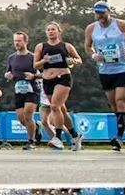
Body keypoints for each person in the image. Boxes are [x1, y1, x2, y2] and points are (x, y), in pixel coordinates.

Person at [84, 1, 125, 151]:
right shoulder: (91, 28)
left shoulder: (121, 25)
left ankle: (119, 137)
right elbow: (87, 46)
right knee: (114, 106)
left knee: (121, 101)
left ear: (108, 11)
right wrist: (94, 55)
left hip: (122, 68)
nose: (99, 15)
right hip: (105, 70)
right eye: (97, 12)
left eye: (102, 12)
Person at [35, 21, 83, 151]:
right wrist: (43, 61)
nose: (51, 32)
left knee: (55, 106)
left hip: (63, 78)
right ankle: (74, 135)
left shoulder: (66, 46)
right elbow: (35, 65)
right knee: (60, 109)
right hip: (47, 80)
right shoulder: (41, 47)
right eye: (48, 30)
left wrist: (73, 61)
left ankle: (58, 138)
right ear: (46, 32)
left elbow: (79, 59)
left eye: (53, 29)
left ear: (59, 31)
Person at [5, 30, 40, 150]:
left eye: (19, 41)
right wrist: (8, 76)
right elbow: (8, 72)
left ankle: (31, 141)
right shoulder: (11, 57)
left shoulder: (33, 57)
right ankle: (36, 128)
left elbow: (42, 73)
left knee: (28, 114)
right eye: (15, 41)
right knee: (21, 118)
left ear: (26, 42)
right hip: (18, 89)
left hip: (32, 89)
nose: (17, 43)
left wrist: (33, 76)